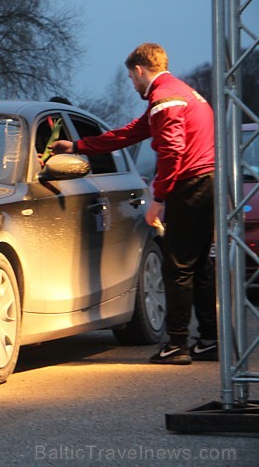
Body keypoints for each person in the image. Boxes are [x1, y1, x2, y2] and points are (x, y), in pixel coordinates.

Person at [49, 43, 217, 365]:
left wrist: (159, 198)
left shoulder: (164, 99)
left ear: (140, 70)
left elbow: (171, 151)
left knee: (177, 267)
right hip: (206, 184)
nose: (132, 84)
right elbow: (130, 133)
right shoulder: (182, 92)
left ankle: (177, 344)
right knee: (199, 266)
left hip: (189, 187)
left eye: (131, 77)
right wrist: (78, 146)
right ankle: (210, 340)